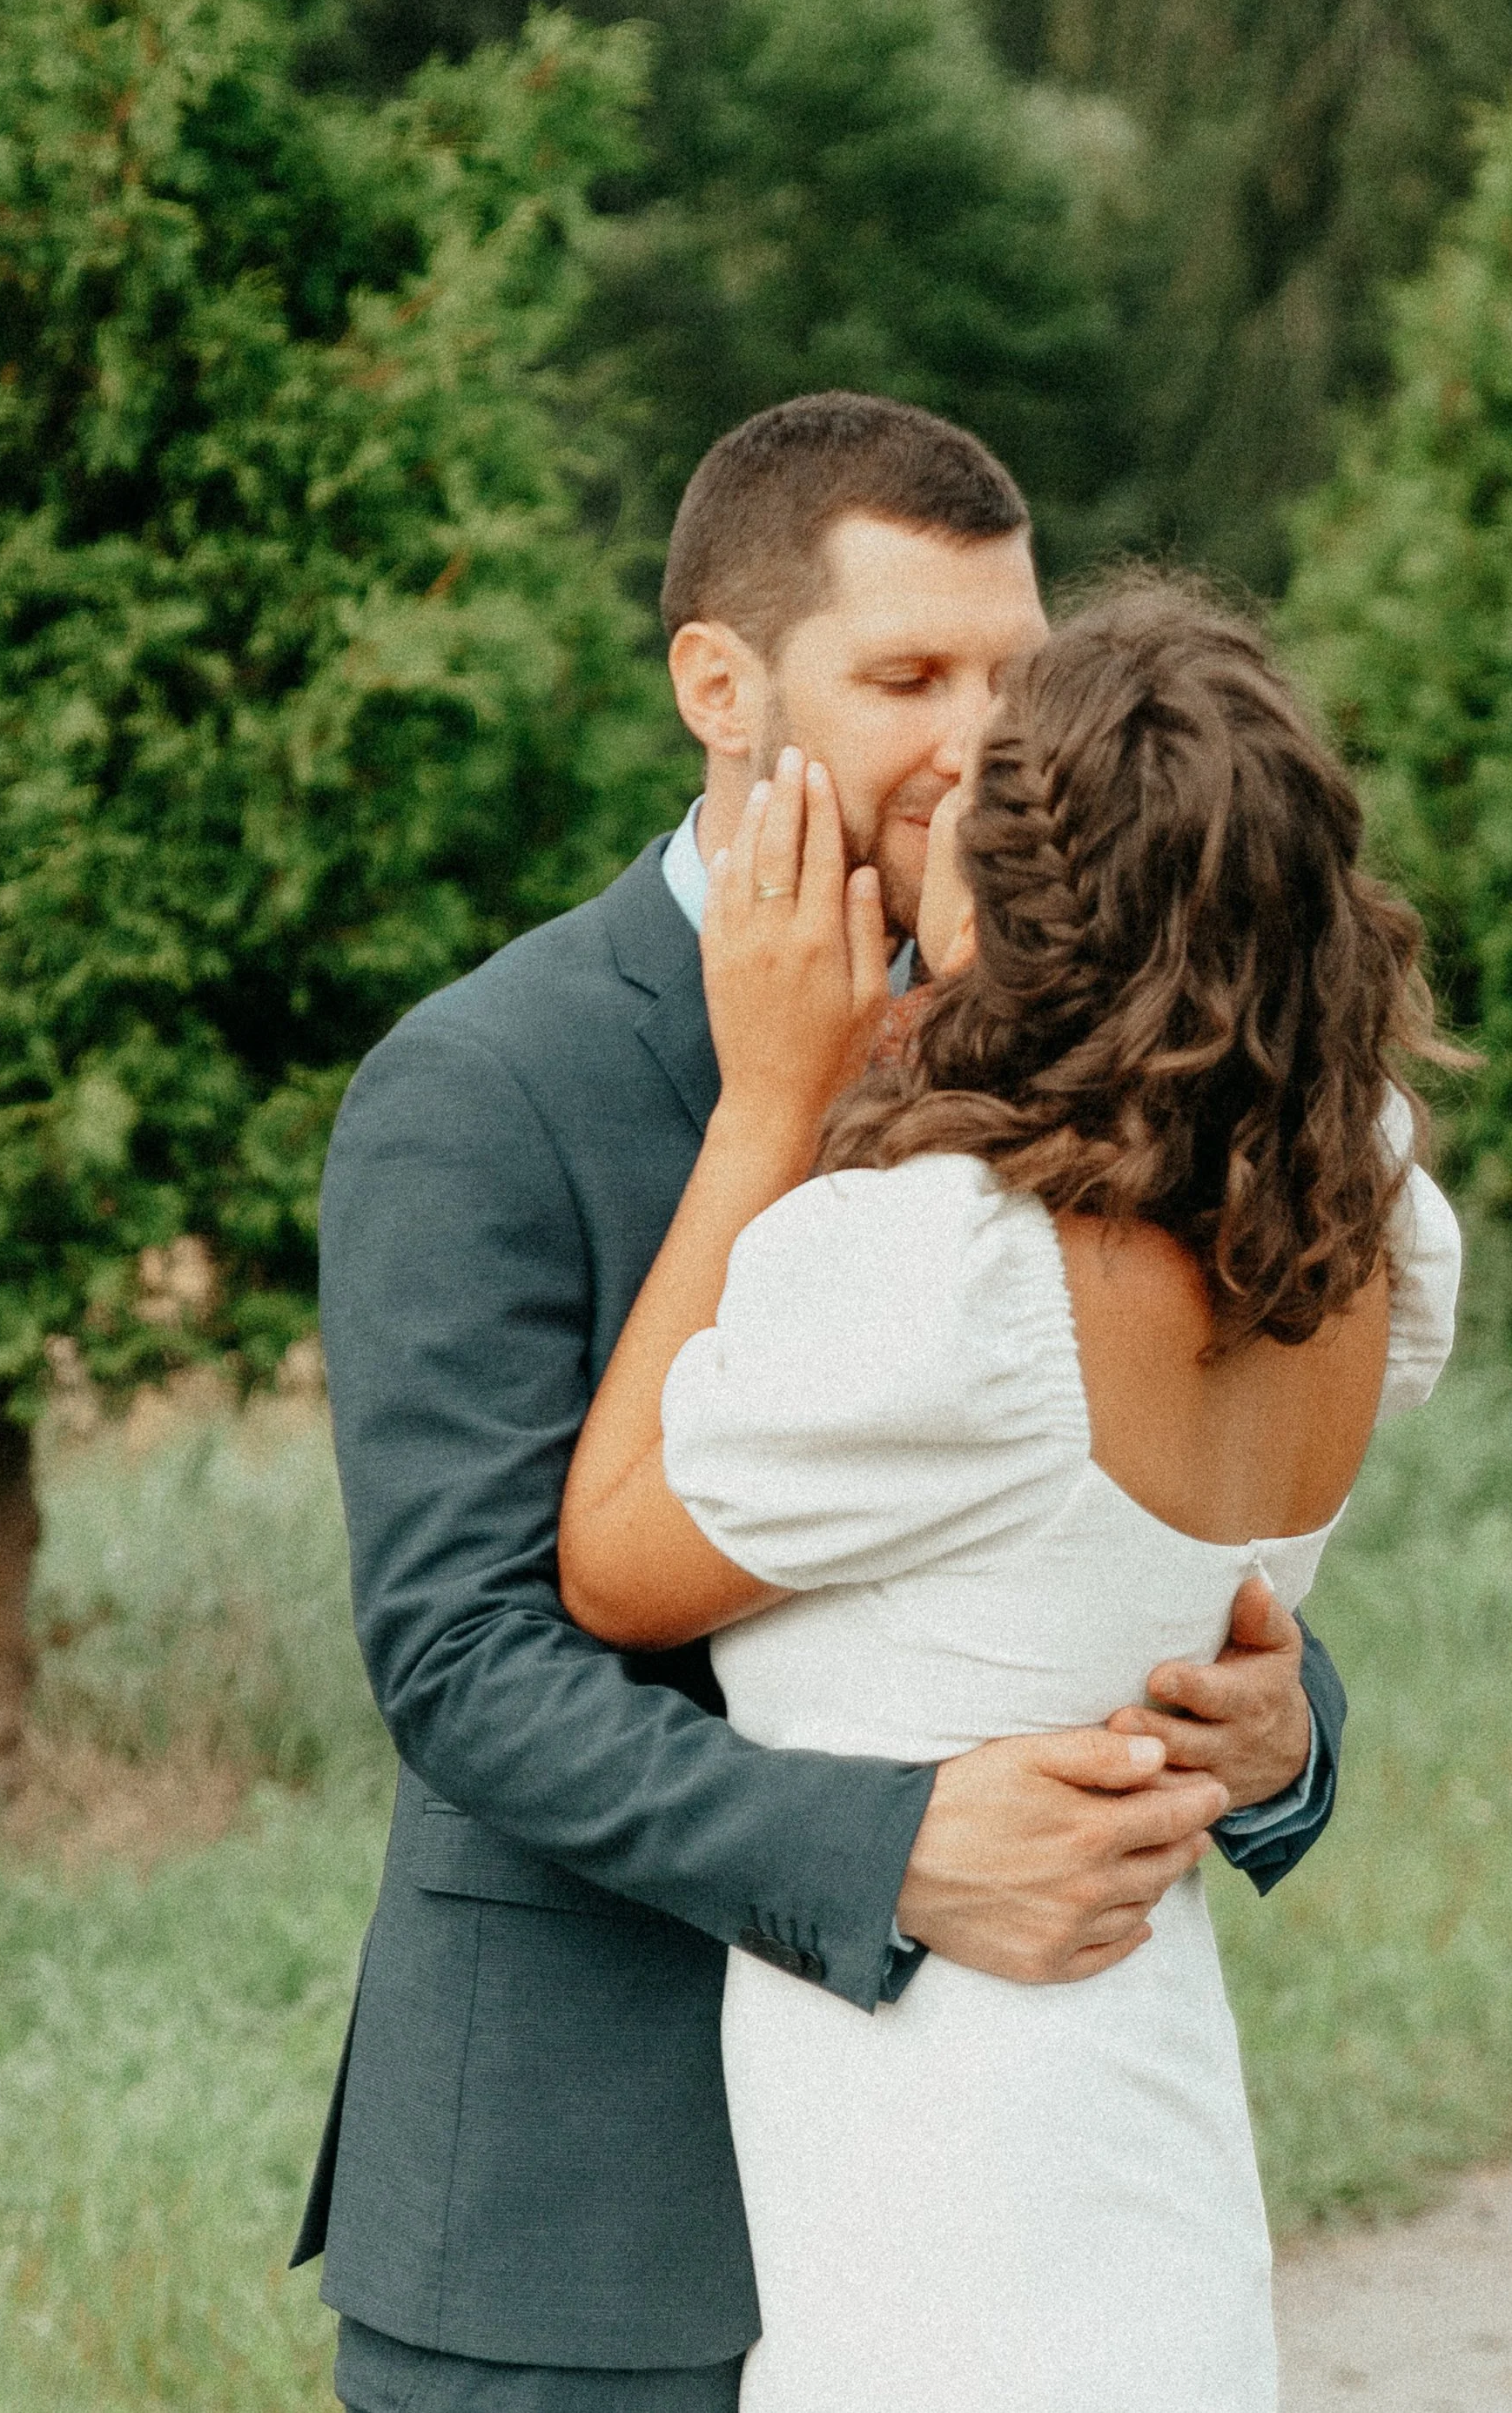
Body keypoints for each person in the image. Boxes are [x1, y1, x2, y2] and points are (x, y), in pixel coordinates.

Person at [297, 396, 1347, 2413]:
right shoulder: (482, 1087)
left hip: (982, 2205)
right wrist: (888, 1851)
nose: (980, 742)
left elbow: (1122, 1507)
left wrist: (1281, 1719)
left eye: (1012, 676)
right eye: (905, 678)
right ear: (717, 683)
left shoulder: (1109, 1052)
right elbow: (458, 1659)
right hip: (579, 2234)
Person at [557, 575, 1460, 2410]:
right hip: (1146, 2132)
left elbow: (610, 1562)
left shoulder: (952, 1281)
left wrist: (761, 1112)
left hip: (936, 2194)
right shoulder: (1367, 1214)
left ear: (1002, 916)